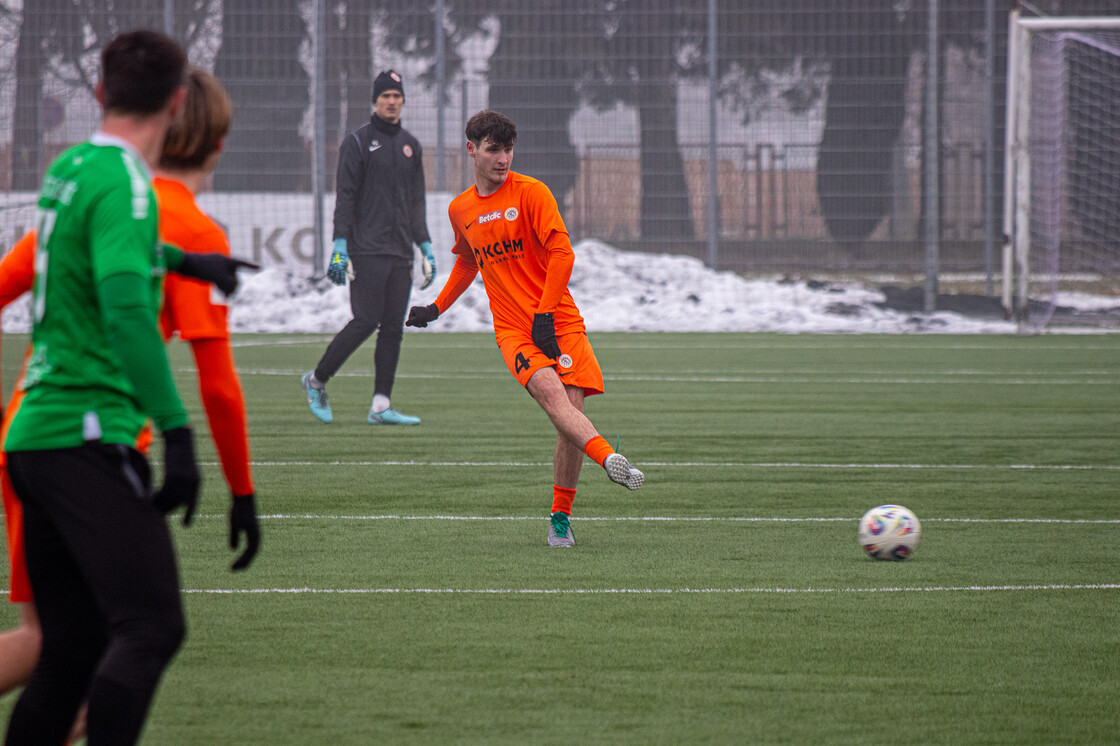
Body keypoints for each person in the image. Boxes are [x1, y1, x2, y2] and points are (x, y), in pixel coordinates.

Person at [2, 30, 228, 745]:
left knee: (70, 648)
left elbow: (87, 247)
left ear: (100, 92)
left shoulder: (71, 168)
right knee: (151, 626)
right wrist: (178, 432)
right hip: (85, 432)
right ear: (178, 102)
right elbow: (128, 312)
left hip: (34, 436)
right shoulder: (128, 182)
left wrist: (183, 262)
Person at [406, 110, 644, 548]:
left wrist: (546, 314)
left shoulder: (532, 193)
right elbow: (467, 262)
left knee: (571, 414)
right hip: (514, 330)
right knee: (554, 399)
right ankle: (610, 458)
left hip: (558, 320)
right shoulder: (460, 209)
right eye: (493, 150)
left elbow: (563, 254)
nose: (503, 159)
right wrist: (436, 308)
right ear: (471, 149)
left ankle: (560, 518)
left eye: (508, 150)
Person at [301, 69, 435, 425]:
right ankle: (316, 381)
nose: (391, 101)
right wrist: (340, 245)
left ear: (403, 101)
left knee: (393, 327)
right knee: (365, 319)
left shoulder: (411, 145)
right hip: (366, 249)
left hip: (401, 252)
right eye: (385, 96)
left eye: (396, 96)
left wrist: (425, 246)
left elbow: (416, 202)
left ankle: (380, 405)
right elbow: (345, 197)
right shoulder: (358, 142)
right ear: (375, 100)